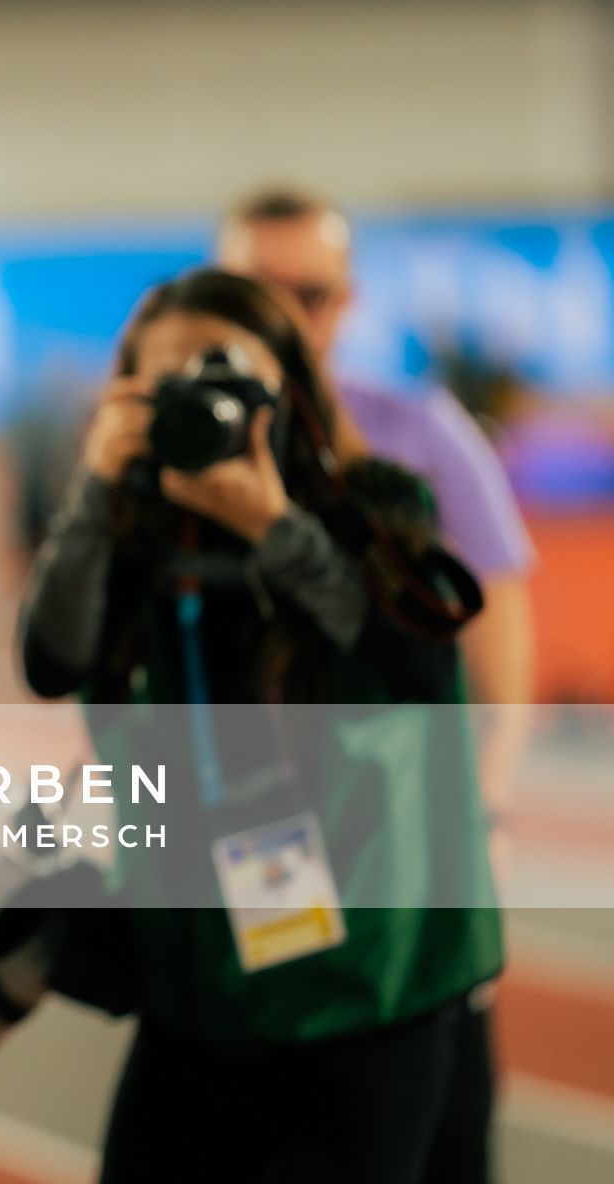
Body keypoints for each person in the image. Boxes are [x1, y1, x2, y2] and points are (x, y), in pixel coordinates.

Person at [20, 268, 501, 1183]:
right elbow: (52, 661)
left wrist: (274, 524)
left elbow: (415, 666)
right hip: (198, 977)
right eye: (169, 384)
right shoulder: (130, 534)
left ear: (289, 385)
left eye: (225, 377)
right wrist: (92, 489)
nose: (199, 403)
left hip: (370, 983)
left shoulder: (379, 505)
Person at [215, 187, 536, 848]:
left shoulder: (422, 435)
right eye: (255, 294)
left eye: (305, 296)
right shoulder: (178, 447)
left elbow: (498, 632)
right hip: (232, 806)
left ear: (345, 300)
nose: (278, 319)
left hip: (391, 810)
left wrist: (489, 804)